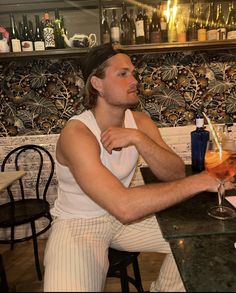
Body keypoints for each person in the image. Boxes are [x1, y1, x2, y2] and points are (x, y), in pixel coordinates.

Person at [43, 43, 234, 292]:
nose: (134, 80)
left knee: (210, 237)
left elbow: (174, 173)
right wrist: (202, 180)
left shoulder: (140, 122)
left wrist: (138, 138)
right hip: (79, 224)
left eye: (133, 73)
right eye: (122, 74)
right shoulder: (77, 133)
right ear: (97, 84)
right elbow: (124, 206)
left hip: (123, 224)